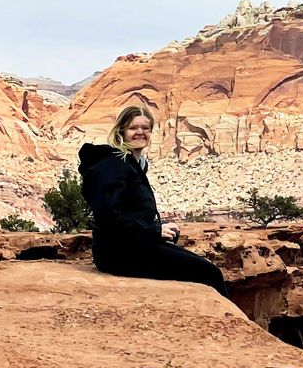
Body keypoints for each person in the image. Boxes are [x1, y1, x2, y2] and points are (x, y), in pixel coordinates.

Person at [78, 106, 229, 294]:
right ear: (121, 131)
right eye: (133, 128)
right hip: (118, 253)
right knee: (209, 273)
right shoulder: (114, 164)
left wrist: (158, 226)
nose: (140, 132)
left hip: (135, 244)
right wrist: (155, 230)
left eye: (146, 128)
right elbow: (107, 216)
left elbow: (129, 209)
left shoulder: (135, 163)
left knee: (207, 268)